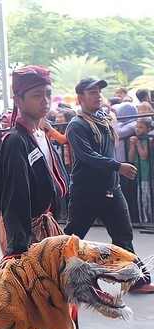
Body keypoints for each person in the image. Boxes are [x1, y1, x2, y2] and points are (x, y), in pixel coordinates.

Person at [0, 66, 89, 329]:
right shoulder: (15, 140)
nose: (45, 101)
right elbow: (13, 199)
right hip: (30, 233)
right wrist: (17, 249)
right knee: (31, 304)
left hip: (48, 227)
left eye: (48, 94)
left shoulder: (41, 134)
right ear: (19, 99)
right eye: (37, 95)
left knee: (62, 298)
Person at [64, 77, 154, 294]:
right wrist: (117, 166)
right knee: (73, 238)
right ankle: (50, 278)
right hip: (87, 191)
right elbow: (87, 156)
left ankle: (134, 280)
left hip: (111, 188)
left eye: (98, 91)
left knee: (123, 234)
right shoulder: (77, 125)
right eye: (91, 92)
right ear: (80, 98)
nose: (97, 95)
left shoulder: (102, 118)